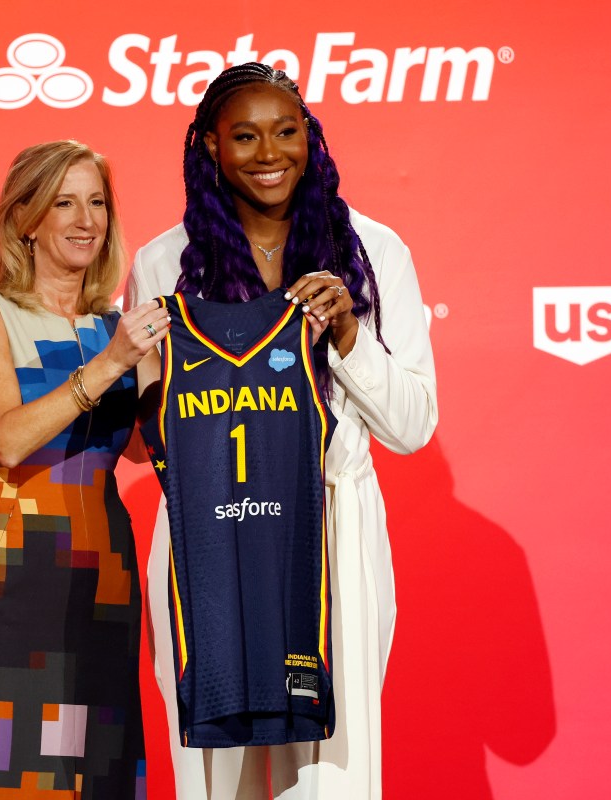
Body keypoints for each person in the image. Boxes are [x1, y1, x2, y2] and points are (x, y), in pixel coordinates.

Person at [127, 62, 439, 799]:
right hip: (209, 526)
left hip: (330, 522)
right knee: (214, 767)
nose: (270, 153)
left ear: (311, 137)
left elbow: (413, 426)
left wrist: (349, 337)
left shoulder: (372, 251)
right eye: (244, 136)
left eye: (286, 132)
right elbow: (149, 438)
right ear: (207, 146)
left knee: (332, 772)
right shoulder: (163, 261)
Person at [0, 140, 170, 800]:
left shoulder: (114, 324)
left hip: (104, 560)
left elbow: (141, 451)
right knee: (8, 760)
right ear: (27, 218)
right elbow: (6, 439)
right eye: (64, 202)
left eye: (96, 202)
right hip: (16, 555)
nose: (84, 219)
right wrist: (109, 365)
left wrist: (183, 368)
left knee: (97, 759)